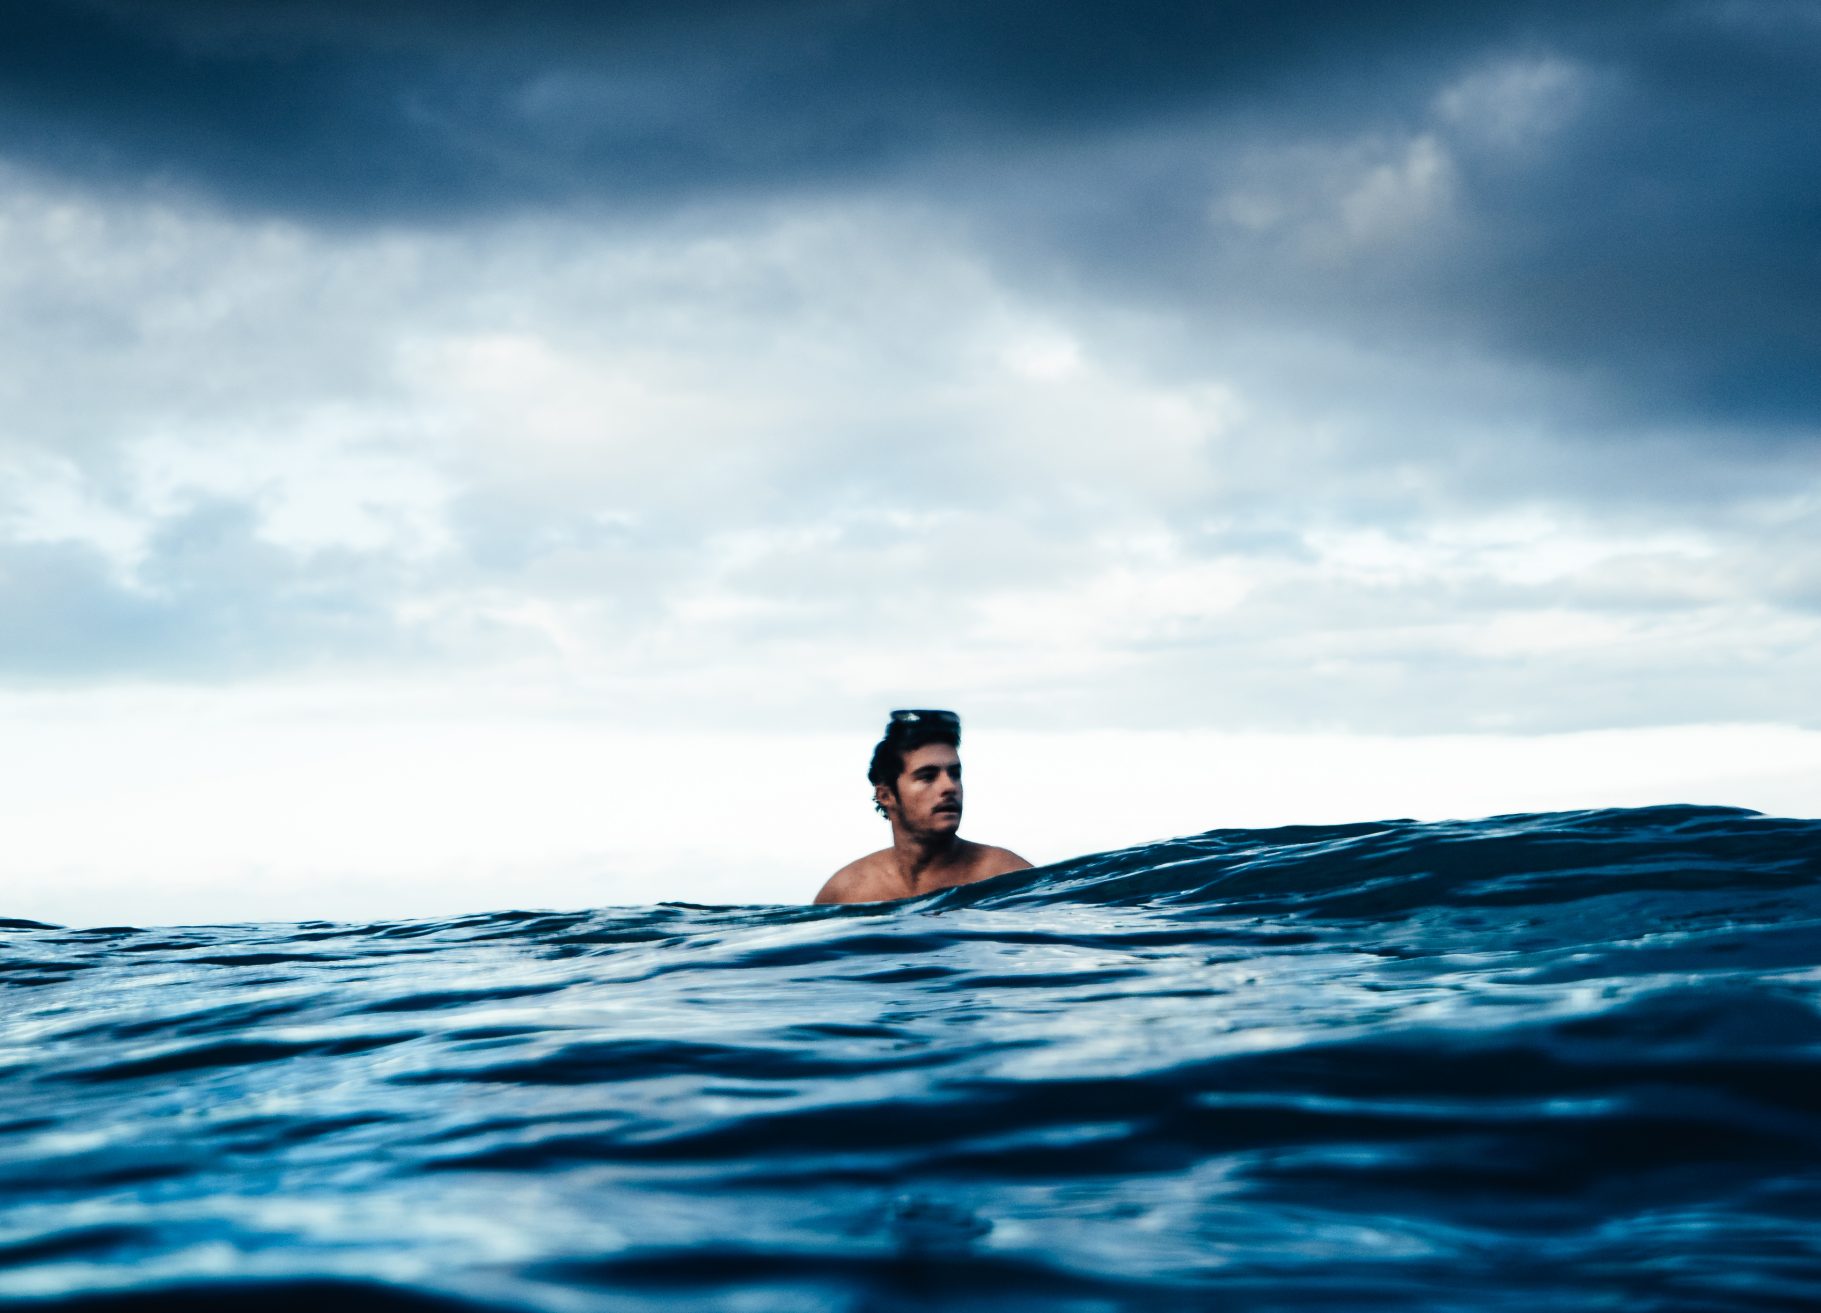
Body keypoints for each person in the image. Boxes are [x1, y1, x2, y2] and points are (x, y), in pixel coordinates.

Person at [814, 710, 1033, 904]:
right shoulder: (847, 893)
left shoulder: (1007, 877)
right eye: (928, 777)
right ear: (886, 795)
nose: (949, 786)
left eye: (955, 774)